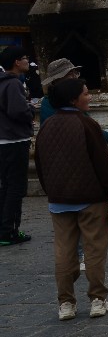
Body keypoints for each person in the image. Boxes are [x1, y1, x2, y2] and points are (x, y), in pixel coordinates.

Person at [34, 77, 108, 321]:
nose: (90, 96)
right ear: (74, 99)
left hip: (59, 200)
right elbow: (103, 165)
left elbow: (40, 165)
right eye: (86, 93)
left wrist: (51, 190)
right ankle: (97, 298)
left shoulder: (47, 127)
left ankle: (66, 303)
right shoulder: (87, 125)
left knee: (63, 251)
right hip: (91, 198)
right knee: (94, 250)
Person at [0, 46, 34, 246]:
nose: (27, 60)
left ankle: (4, 228)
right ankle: (9, 230)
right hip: (14, 140)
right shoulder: (12, 84)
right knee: (15, 187)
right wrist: (29, 109)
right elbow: (17, 111)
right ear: (16, 62)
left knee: (5, 186)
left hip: (4, 140)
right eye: (24, 57)